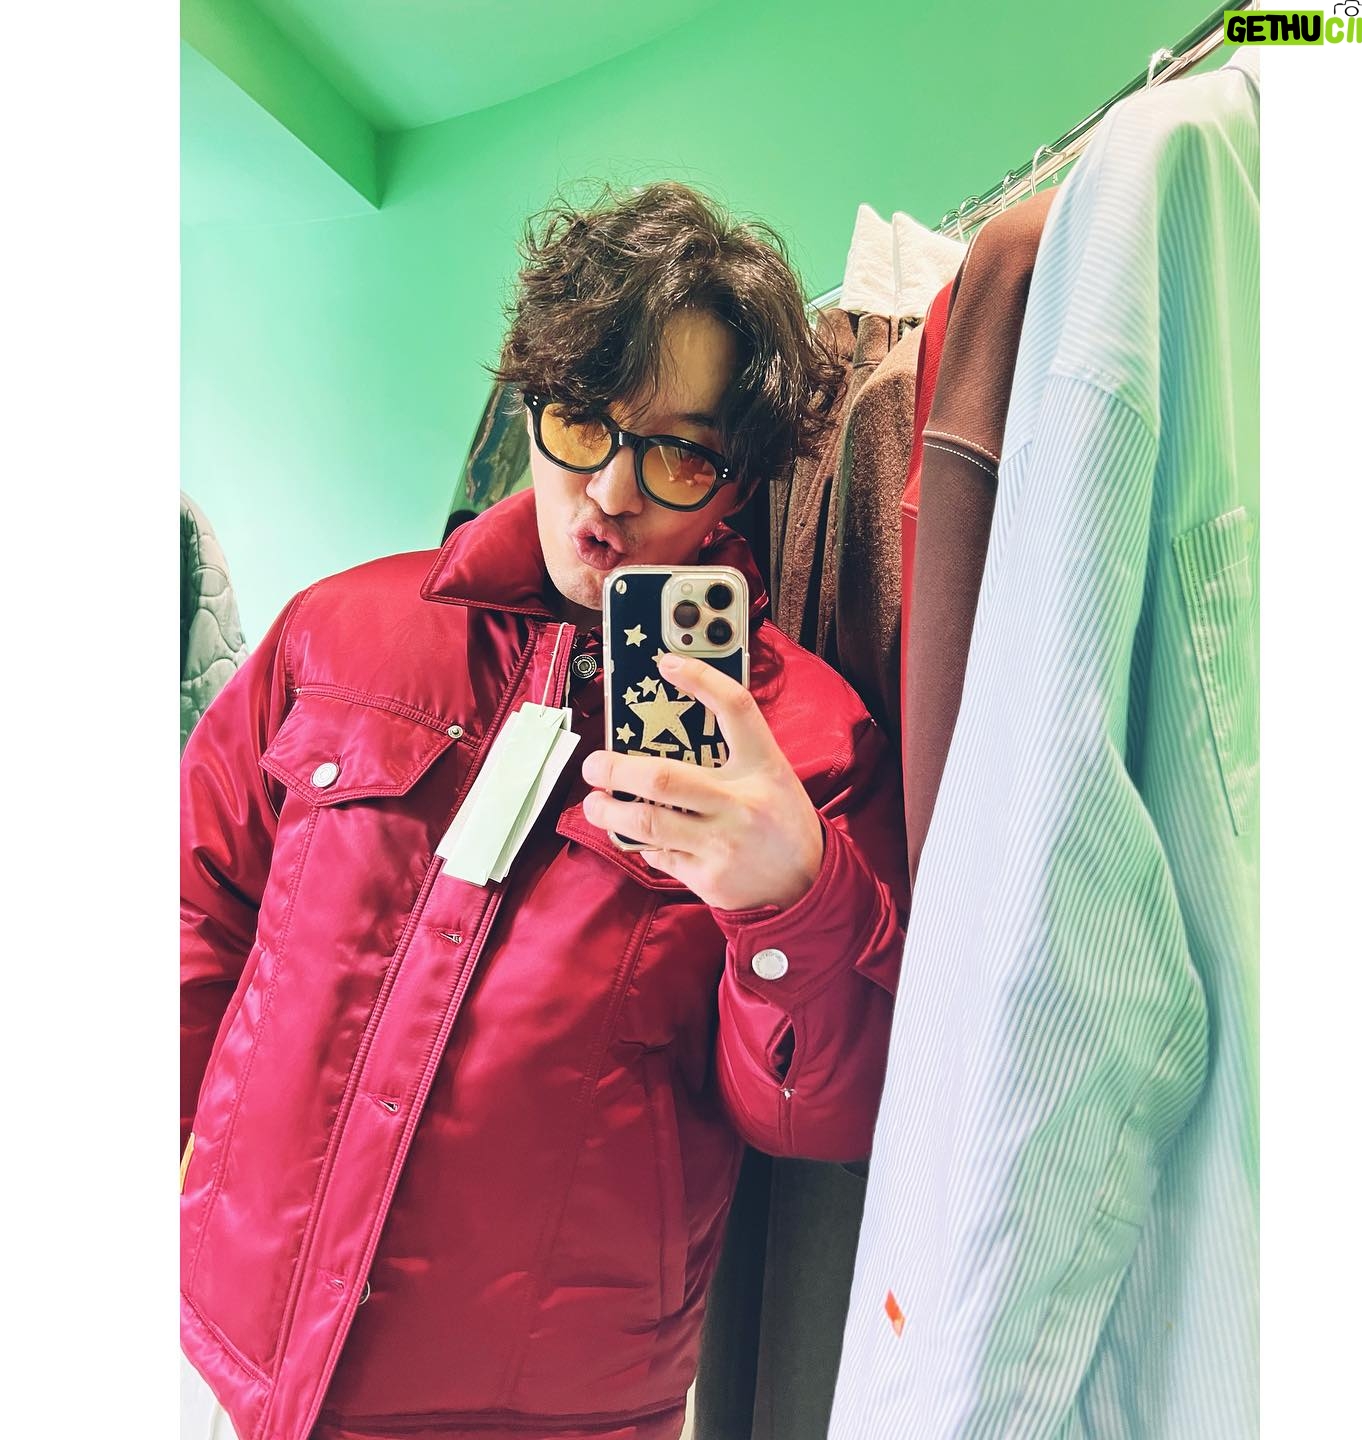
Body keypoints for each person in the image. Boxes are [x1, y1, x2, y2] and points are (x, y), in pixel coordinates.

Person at [180, 180, 908, 1440]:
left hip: (556, 1407)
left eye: (678, 453)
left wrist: (791, 903)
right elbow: (197, 904)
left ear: (737, 482)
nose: (612, 493)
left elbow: (819, 1117)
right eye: (582, 421)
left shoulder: (809, 743)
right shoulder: (338, 631)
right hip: (239, 1337)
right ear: (530, 405)